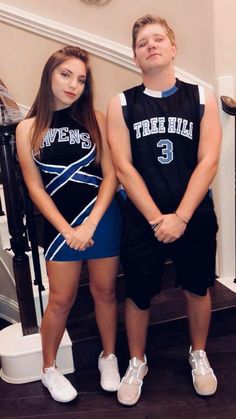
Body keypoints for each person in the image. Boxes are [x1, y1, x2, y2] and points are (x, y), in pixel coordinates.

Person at [107, 14, 222, 406]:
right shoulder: (121, 102)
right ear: (135, 56)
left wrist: (182, 217)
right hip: (145, 219)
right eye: (142, 43)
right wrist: (159, 219)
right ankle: (137, 361)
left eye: (158, 39)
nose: (151, 46)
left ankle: (199, 353)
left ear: (173, 48)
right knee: (138, 293)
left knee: (197, 285)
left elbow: (209, 161)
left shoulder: (202, 95)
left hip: (193, 214)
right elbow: (123, 167)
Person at [16, 45, 122, 403]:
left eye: (81, 79)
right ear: (49, 74)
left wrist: (91, 224)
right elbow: (34, 187)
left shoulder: (95, 118)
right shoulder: (28, 128)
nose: (73, 84)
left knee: (105, 292)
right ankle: (49, 368)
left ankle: (108, 356)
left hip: (100, 219)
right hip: (60, 228)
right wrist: (67, 229)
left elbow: (111, 177)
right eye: (66, 75)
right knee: (60, 298)